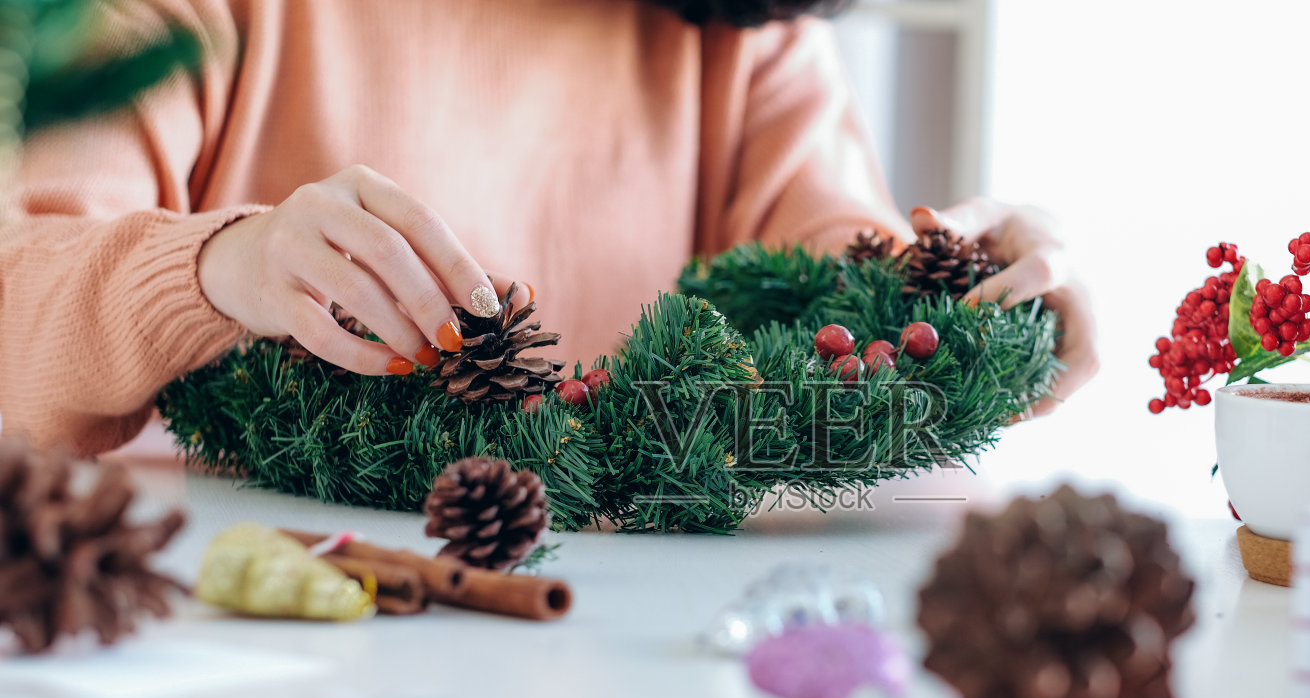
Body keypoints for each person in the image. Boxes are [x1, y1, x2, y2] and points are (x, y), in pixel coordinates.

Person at [0, 0, 1096, 457]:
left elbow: (840, 274)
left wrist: (971, 288)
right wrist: (215, 267)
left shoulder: (743, 32)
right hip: (255, 630)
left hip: (649, 661)